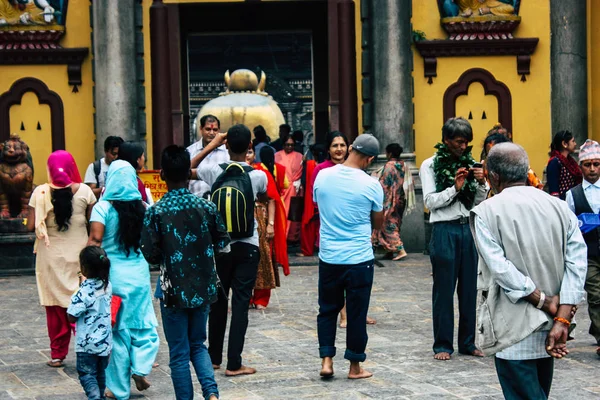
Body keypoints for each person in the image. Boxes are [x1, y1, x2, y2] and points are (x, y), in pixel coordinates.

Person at [470, 142, 587, 399]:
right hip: (552, 328)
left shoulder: (486, 212)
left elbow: (501, 269)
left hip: (514, 328)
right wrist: (563, 317)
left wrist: (545, 302)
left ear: (493, 176)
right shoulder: (558, 206)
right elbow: (577, 263)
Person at [141, 145, 230, 400]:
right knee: (198, 345)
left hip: (173, 288)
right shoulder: (206, 206)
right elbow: (223, 243)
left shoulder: (156, 212)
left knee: (179, 353)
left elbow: (150, 253)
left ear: (161, 175)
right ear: (189, 174)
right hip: (203, 286)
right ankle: (211, 394)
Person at [195, 124, 269, 376]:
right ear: (250, 146)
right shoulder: (258, 175)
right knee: (239, 305)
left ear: (226, 145)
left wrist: (212, 145)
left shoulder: (213, 171)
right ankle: (234, 363)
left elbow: (184, 169)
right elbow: (265, 196)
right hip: (247, 246)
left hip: (220, 247)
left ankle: (214, 358)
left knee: (217, 303)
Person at [314, 134, 384, 380]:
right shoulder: (371, 184)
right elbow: (377, 222)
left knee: (327, 310)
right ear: (370, 158)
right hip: (359, 259)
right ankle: (355, 367)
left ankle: (326, 361)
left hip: (329, 256)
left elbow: (319, 204)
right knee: (356, 313)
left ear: (351, 148)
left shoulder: (322, 176)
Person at [88, 160, 159, 399]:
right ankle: (140, 368)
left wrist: (87, 271)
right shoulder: (144, 208)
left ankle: (118, 389)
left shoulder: (102, 208)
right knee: (143, 325)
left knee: (117, 332)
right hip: (139, 274)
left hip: (112, 276)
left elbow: (95, 241)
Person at [419, 117, 488, 361]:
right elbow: (430, 202)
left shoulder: (470, 164)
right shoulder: (430, 165)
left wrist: (481, 183)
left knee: (470, 289)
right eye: (458, 142)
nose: (463, 146)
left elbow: (479, 202)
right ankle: (442, 345)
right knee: (444, 290)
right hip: (444, 230)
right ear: (446, 140)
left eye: (466, 142)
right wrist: (455, 188)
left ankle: (468, 343)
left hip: (468, 229)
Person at [27, 150, 96, 368]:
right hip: (79, 257)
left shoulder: (40, 192)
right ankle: (89, 348)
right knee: (81, 303)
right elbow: (92, 223)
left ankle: (57, 354)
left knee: (55, 306)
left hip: (50, 258)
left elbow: (30, 226)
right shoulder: (85, 191)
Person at [566, 139, 600, 358]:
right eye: (588, 164)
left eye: (596, 164)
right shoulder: (573, 194)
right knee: (596, 295)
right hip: (588, 253)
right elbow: (568, 226)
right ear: (581, 167)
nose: (593, 169)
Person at [67, 246, 112, 400]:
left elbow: (71, 315)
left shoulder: (83, 292)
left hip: (86, 345)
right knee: (100, 374)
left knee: (87, 374)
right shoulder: (108, 286)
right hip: (105, 343)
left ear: (84, 268)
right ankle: (100, 396)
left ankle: (94, 397)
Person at [249, 146, 290, 309]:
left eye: (250, 152)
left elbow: (272, 199)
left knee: (263, 257)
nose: (247, 155)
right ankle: (245, 297)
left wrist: (271, 224)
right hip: (240, 219)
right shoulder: (233, 171)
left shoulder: (261, 173)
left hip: (260, 217)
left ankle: (261, 298)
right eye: (244, 152)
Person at [371, 143, 408, 261]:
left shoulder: (389, 166)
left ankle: (400, 249)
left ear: (390, 153)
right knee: (395, 223)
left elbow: (384, 184)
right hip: (400, 199)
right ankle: (390, 251)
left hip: (389, 201)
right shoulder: (403, 165)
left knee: (388, 225)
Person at [187, 114, 230, 198]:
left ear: (219, 131)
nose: (211, 133)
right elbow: (182, 174)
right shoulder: (190, 151)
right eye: (208, 129)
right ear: (201, 129)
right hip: (195, 202)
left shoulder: (227, 152)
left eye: (215, 130)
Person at [299, 143, 327, 257]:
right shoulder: (328, 166)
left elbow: (304, 181)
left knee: (309, 225)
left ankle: (307, 250)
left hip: (311, 199)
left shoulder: (310, 165)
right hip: (326, 200)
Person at [275, 133, 303, 240]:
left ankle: (292, 238)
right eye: (287, 145)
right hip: (281, 190)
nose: (289, 147)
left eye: (292, 145)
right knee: (282, 214)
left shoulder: (299, 156)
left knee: (294, 214)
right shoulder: (276, 155)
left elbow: (301, 172)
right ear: (283, 145)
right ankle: (281, 237)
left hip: (295, 189)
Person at [547, 130, 582, 200]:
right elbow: (554, 191)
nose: (575, 144)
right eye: (573, 141)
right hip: (563, 202)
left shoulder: (571, 161)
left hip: (573, 200)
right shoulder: (554, 162)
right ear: (564, 144)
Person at [117, 141, 154, 206]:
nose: (144, 159)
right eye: (142, 155)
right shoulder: (135, 182)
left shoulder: (116, 178)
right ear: (138, 159)